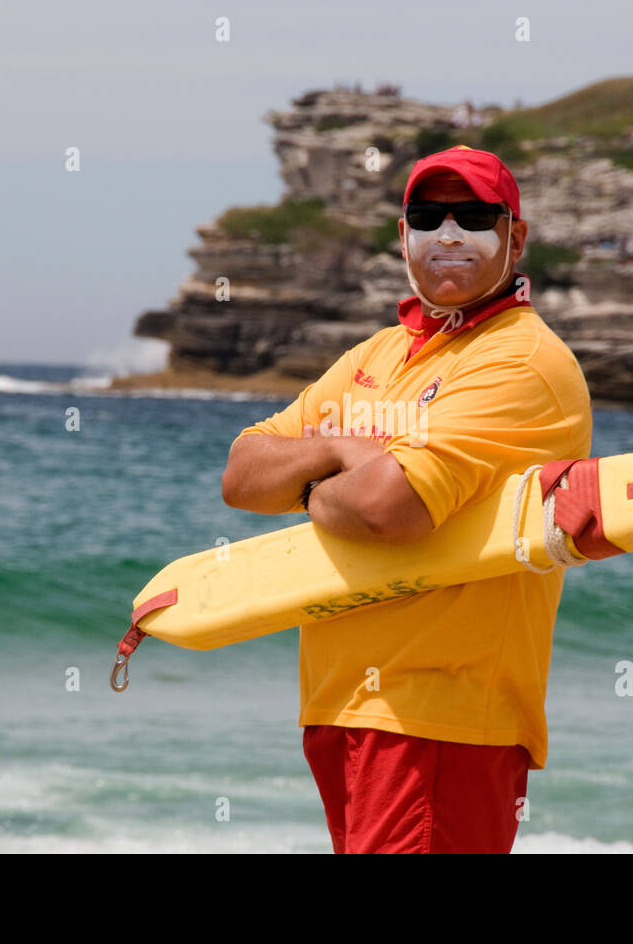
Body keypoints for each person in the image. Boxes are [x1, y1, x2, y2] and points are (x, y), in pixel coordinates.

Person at [221, 145, 592, 853]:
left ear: (515, 236)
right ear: (402, 236)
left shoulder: (523, 362)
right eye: (428, 216)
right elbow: (242, 473)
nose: (448, 234)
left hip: (441, 718)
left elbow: (390, 508)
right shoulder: (375, 357)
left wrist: (320, 479)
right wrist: (338, 456)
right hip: (341, 708)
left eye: (473, 216)